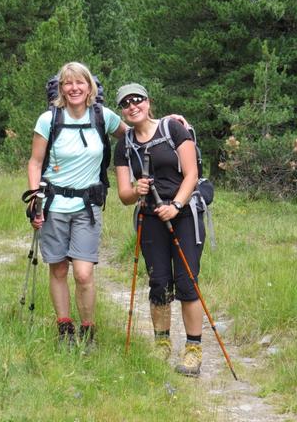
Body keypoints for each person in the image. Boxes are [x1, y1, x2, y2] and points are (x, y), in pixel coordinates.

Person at [27, 62, 125, 347]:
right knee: (58, 269)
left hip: (87, 206)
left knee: (83, 273)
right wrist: (35, 198)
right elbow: (35, 162)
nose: (74, 88)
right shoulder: (48, 120)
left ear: (89, 87)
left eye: (79, 82)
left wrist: (169, 124)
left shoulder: (103, 116)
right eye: (68, 83)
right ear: (61, 89)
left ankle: (88, 329)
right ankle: (64, 328)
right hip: (54, 204)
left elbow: (134, 132)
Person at [113, 83, 206, 377]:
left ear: (148, 102)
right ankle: (161, 344)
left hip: (184, 214)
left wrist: (176, 205)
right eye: (125, 103)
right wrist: (135, 190)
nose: (132, 106)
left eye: (137, 100)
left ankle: (193, 349)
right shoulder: (124, 145)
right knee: (159, 283)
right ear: (123, 111)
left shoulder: (173, 129)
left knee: (187, 281)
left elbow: (192, 173)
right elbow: (124, 195)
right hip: (150, 217)